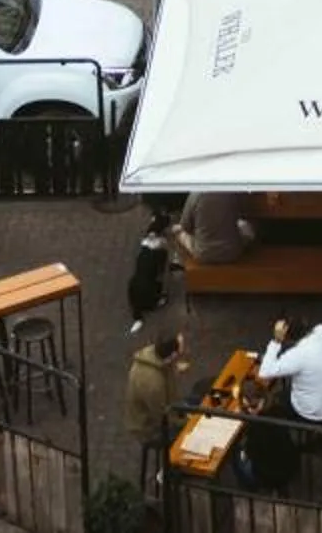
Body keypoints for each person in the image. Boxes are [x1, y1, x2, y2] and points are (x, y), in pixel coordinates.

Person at [126, 329, 187, 490]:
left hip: (160, 410)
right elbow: (164, 418)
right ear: (172, 355)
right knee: (187, 435)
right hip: (148, 428)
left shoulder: (152, 356)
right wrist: (187, 421)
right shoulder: (153, 384)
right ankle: (168, 471)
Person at [254, 316, 322, 423]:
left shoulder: (297, 355)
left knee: (275, 402)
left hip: (312, 412)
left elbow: (265, 371)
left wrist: (276, 340)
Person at [173, 188, 255, 268]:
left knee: (176, 229)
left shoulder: (195, 194)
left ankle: (178, 263)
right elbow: (243, 214)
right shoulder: (232, 192)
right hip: (232, 253)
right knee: (245, 226)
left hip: (203, 253)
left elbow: (186, 227)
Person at [128, 207, 175, 331]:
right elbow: (162, 275)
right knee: (158, 285)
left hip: (134, 292)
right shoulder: (161, 251)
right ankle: (156, 301)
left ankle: (138, 314)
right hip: (149, 297)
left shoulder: (143, 247)